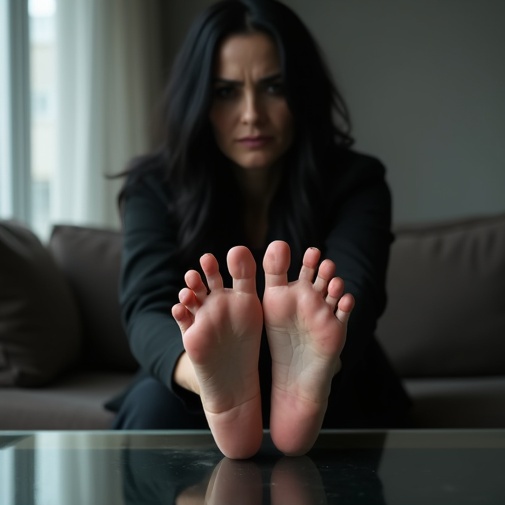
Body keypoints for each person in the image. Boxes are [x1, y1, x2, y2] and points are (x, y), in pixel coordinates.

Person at [112, 0, 411, 459]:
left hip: (331, 378)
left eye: (273, 87)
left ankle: (301, 388)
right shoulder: (154, 187)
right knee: (154, 407)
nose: (252, 113)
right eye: (226, 92)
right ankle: (223, 388)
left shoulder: (356, 182)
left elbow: (356, 297)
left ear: (302, 92)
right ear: (198, 99)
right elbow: (145, 306)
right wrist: (205, 374)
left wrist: (315, 365)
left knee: (344, 394)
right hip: (194, 379)